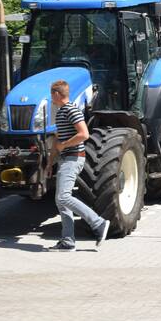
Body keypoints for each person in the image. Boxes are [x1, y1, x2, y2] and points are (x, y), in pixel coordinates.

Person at [46, 79, 110, 251]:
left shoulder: (72, 110)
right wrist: (50, 163)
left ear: (57, 94)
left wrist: (65, 145)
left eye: (52, 94)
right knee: (61, 201)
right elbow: (56, 140)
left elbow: (84, 134)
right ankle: (67, 241)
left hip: (74, 158)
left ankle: (99, 223)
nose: (51, 97)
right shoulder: (60, 112)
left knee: (63, 197)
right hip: (65, 159)